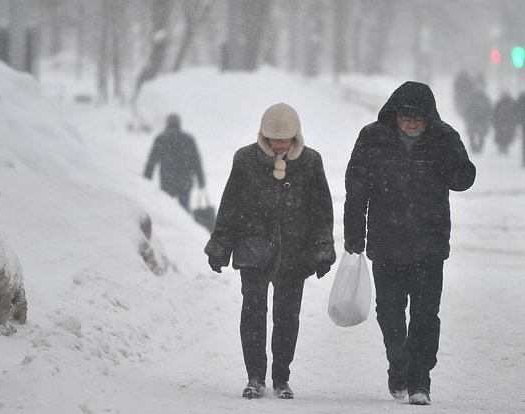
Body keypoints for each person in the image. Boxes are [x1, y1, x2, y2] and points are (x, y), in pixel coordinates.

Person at [344, 81, 476, 406]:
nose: (412, 122)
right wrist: (353, 236)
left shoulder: (443, 138)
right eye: (406, 115)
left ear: (429, 116)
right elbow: (356, 189)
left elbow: (463, 179)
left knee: (426, 317)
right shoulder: (372, 138)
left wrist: (446, 152)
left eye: (419, 116)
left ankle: (420, 380)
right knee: (390, 314)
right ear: (395, 114)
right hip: (386, 244)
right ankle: (398, 363)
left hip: (429, 247)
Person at [204, 103, 335, 400]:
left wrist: (323, 247)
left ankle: (281, 378)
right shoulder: (245, 159)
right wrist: (220, 245)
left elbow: (321, 210)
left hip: (294, 251)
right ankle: (254, 378)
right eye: (273, 137)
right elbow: (231, 207)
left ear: (295, 136)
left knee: (287, 317)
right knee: (252, 315)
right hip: (253, 249)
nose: (278, 143)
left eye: (284, 138)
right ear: (263, 135)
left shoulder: (311, 162)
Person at [143, 114, 205, 210]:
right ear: (179, 124)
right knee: (184, 212)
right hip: (185, 181)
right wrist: (201, 180)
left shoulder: (161, 138)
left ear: (167, 123)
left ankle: (170, 224)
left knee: (168, 211)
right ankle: (183, 224)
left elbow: (152, 160)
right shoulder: (188, 139)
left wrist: (146, 179)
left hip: (167, 180)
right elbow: (196, 161)